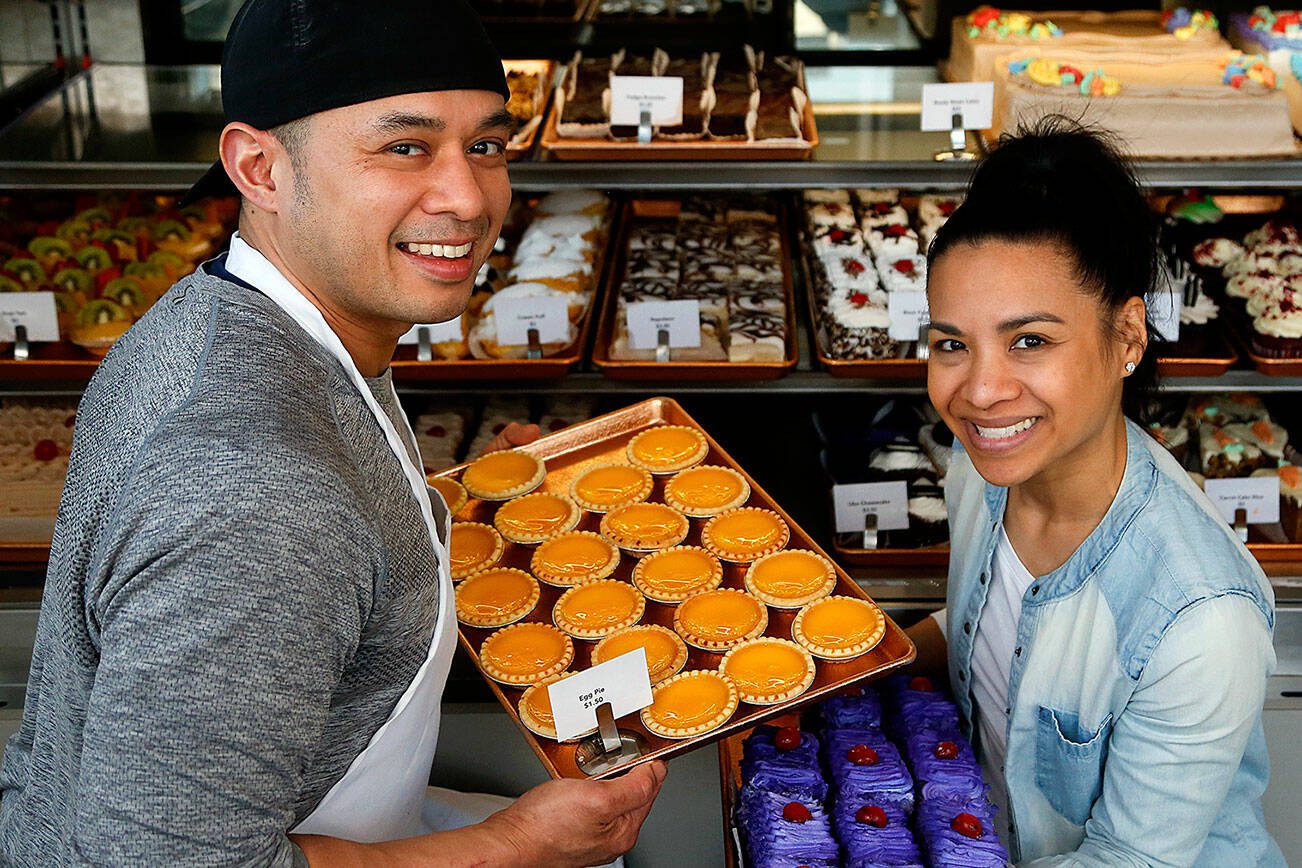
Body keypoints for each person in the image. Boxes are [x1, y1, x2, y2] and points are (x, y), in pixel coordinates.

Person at [0, 1, 665, 865]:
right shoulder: (259, 493)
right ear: (260, 168)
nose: (468, 197)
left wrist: (434, 506)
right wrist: (512, 846)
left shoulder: (234, 316)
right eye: (404, 147)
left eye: (488, 146)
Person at [907, 118, 1284, 866]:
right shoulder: (980, 468)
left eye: (1030, 341)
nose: (979, 391)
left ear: (1128, 338)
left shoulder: (1199, 619)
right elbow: (989, 628)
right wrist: (840, 671)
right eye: (952, 343)